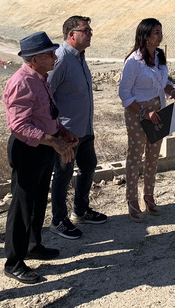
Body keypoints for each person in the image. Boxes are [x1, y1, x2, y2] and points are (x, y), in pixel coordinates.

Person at [2, 31, 78, 284]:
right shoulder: (21, 82)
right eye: (49, 54)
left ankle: (34, 244)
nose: (55, 56)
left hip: (44, 145)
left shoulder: (41, 77)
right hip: (28, 149)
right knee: (22, 205)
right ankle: (13, 261)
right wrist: (54, 140)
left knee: (37, 201)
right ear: (33, 59)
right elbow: (19, 126)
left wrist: (62, 132)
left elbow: (46, 114)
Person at [48, 16, 107, 240]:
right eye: (86, 30)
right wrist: (57, 132)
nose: (91, 33)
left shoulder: (80, 57)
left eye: (90, 29)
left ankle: (80, 211)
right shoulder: (61, 59)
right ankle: (58, 220)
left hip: (85, 129)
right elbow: (47, 96)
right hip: (67, 133)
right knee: (62, 176)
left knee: (89, 166)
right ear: (72, 34)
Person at [118, 18, 175, 222]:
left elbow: (161, 82)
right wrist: (144, 113)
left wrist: (171, 90)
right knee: (135, 156)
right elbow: (124, 93)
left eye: (160, 31)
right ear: (145, 36)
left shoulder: (159, 56)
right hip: (138, 112)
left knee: (153, 156)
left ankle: (149, 196)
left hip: (158, 110)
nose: (160, 35)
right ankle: (132, 200)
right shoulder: (133, 62)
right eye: (155, 32)